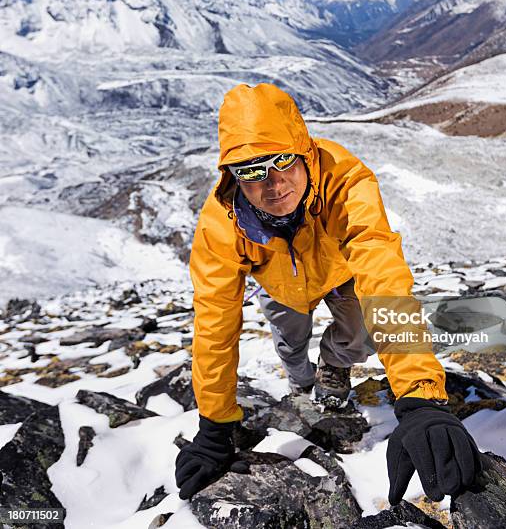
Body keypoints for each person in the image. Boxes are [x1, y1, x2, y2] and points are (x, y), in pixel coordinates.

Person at [175, 83, 481, 502]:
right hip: (280, 288)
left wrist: (419, 398)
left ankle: (333, 367)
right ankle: (302, 383)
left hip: (339, 274)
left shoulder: (345, 182)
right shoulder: (221, 223)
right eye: (251, 171)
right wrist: (214, 425)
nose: (274, 183)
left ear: (304, 151)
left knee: (357, 334)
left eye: (283, 161)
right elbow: (215, 319)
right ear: (232, 177)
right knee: (290, 343)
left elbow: (384, 278)